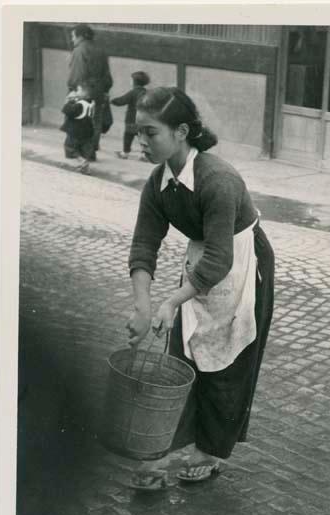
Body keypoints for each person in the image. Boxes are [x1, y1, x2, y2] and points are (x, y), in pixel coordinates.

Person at [126, 87, 275, 489]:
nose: (141, 141)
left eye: (149, 133)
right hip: (203, 260)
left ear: (181, 132)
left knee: (227, 360)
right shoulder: (159, 184)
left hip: (242, 262)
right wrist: (143, 307)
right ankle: (162, 453)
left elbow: (220, 258)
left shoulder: (218, 180)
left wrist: (171, 301)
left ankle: (208, 453)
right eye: (139, 132)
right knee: (183, 353)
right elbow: (144, 244)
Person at [67, 23, 113, 159]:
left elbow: (76, 74)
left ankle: (76, 151)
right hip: (98, 90)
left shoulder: (79, 50)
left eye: (73, 36)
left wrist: (72, 89)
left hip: (83, 90)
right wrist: (105, 89)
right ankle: (90, 152)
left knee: (78, 120)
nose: (72, 39)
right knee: (95, 121)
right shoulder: (100, 50)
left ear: (80, 36)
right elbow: (107, 75)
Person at [111, 70, 151, 160]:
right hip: (143, 120)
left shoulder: (133, 92)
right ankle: (144, 155)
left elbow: (122, 100)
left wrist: (112, 101)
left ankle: (125, 153)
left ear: (134, 82)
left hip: (131, 120)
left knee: (128, 136)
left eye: (131, 80)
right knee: (143, 138)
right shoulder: (147, 93)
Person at [60, 84, 95, 175]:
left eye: (79, 90)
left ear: (84, 93)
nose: (76, 92)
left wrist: (68, 101)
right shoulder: (90, 102)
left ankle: (82, 161)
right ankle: (85, 168)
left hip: (76, 131)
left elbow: (68, 111)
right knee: (83, 149)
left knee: (70, 147)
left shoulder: (80, 104)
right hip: (87, 130)